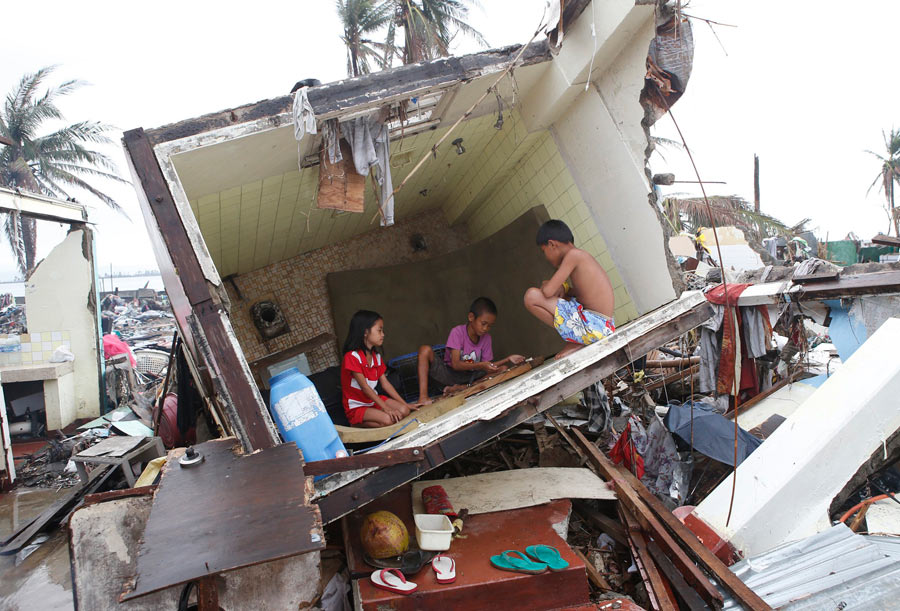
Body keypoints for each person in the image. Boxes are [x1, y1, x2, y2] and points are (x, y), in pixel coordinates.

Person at [524, 220, 616, 359]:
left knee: (531, 296)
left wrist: (551, 285)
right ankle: (577, 338)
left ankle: (576, 339)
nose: (545, 257)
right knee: (563, 296)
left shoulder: (573, 255)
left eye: (544, 251)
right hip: (601, 324)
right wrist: (564, 289)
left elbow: (547, 292)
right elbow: (582, 295)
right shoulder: (580, 256)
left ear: (552, 244)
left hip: (594, 326)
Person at [416, 297, 524, 405]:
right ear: (471, 317)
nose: (486, 328)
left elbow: (488, 366)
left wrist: (508, 359)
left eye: (489, 326)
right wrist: (481, 365)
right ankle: (423, 398)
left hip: (472, 377)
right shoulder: (457, 333)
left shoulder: (486, 338)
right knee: (424, 350)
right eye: (483, 323)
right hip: (450, 375)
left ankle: (461, 388)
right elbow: (456, 364)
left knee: (503, 369)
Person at [341, 310, 419, 428]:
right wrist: (387, 409)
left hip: (373, 401)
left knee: (404, 411)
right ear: (365, 332)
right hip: (357, 407)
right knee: (388, 420)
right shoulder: (352, 357)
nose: (383, 334)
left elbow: (385, 384)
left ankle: (379, 414)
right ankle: (356, 423)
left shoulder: (376, 357)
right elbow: (365, 388)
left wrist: (406, 404)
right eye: (379, 330)